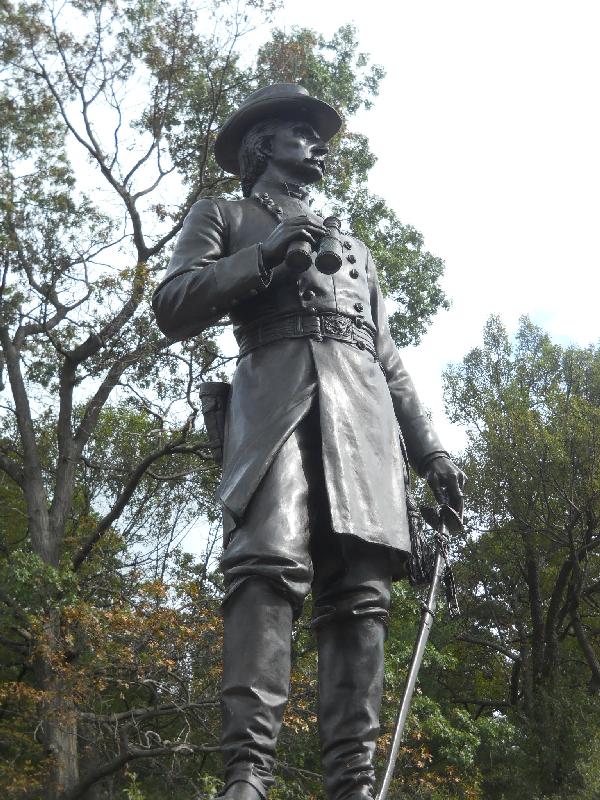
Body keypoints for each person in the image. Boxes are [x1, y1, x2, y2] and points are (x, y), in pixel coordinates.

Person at [152, 84, 465, 800]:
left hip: (363, 420)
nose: (317, 145)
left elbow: (387, 357)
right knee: (264, 568)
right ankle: (248, 776)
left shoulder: (354, 248)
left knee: (361, 595)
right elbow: (172, 304)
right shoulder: (224, 216)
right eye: (301, 133)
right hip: (276, 402)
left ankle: (353, 782)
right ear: (263, 146)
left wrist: (432, 452)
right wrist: (260, 259)